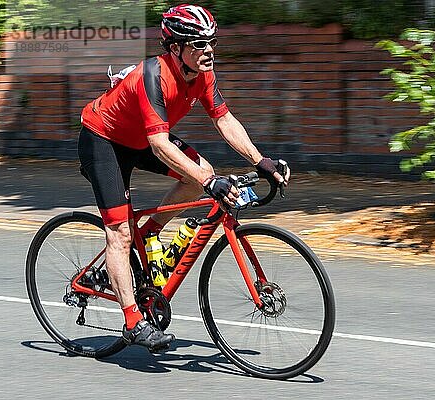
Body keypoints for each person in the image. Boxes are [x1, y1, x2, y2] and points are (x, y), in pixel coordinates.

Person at [78, 4, 290, 351]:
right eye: (198, 44)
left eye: (211, 42)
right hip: (103, 139)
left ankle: (149, 232)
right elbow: (160, 145)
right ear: (175, 48)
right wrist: (210, 184)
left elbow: (224, 120)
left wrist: (260, 160)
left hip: (140, 139)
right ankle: (133, 321)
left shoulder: (203, 73)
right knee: (118, 232)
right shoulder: (153, 76)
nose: (208, 51)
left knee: (200, 172)